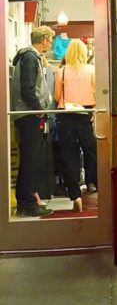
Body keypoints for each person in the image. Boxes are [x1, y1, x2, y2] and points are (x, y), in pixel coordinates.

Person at [10, 25, 55, 217]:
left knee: (29, 160)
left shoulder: (26, 57)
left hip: (26, 115)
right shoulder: (30, 57)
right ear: (44, 39)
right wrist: (39, 109)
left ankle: (28, 200)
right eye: (50, 39)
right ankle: (27, 204)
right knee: (30, 160)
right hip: (29, 115)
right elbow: (28, 88)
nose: (51, 43)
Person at [54, 39, 97, 212]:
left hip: (66, 114)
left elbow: (57, 96)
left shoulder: (61, 71)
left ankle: (75, 194)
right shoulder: (92, 70)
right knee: (91, 150)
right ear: (84, 52)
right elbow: (97, 93)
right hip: (85, 114)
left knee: (69, 154)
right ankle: (92, 182)